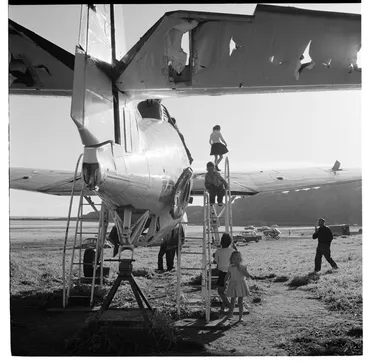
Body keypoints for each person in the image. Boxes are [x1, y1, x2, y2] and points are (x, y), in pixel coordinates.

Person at [225, 251, 253, 323]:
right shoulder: (230, 267)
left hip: (241, 284)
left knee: (240, 301)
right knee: (233, 300)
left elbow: (247, 275)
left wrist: (240, 268)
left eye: (238, 258)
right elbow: (227, 276)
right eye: (234, 258)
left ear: (240, 259)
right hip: (233, 284)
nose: (236, 260)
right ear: (231, 259)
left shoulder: (243, 267)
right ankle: (231, 314)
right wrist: (224, 282)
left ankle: (240, 317)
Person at [213, 233, 235, 313]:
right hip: (232, 273)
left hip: (223, 273)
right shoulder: (232, 251)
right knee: (225, 291)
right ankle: (223, 308)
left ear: (221, 242)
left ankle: (229, 306)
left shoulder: (218, 251)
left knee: (220, 291)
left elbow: (215, 261)